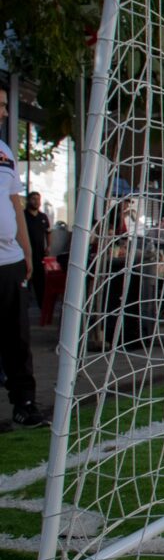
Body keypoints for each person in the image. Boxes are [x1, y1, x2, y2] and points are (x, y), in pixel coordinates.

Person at [0, 83, 45, 427]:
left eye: (5, 105)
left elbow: (15, 205)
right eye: (0, 105)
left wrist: (27, 251)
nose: (4, 112)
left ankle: (25, 402)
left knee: (19, 336)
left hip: (12, 262)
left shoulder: (5, 152)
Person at [23, 191, 51, 308]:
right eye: (33, 199)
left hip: (39, 256)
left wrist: (49, 246)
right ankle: (24, 307)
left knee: (40, 283)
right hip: (24, 255)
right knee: (25, 283)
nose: (36, 201)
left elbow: (48, 232)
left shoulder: (43, 217)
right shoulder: (23, 216)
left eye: (38, 199)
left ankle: (42, 307)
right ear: (28, 200)